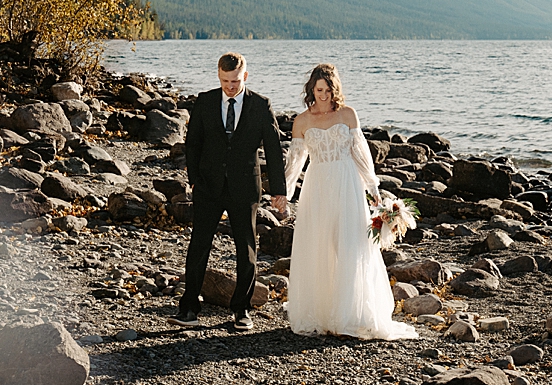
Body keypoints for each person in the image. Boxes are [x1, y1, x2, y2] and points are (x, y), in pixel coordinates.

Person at [284, 64, 417, 340]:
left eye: (328, 90)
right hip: (317, 186)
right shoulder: (302, 121)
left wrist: (372, 187)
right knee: (319, 245)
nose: (323, 95)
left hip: (347, 184)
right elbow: (295, 162)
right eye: (319, 90)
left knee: (349, 244)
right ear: (311, 90)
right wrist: (283, 194)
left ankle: (350, 313)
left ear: (335, 90)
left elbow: (360, 153)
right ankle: (322, 312)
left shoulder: (347, 114)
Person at [169, 52, 288, 331]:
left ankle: (242, 310)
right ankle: (188, 309)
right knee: (199, 246)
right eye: (225, 80)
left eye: (235, 81)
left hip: (244, 186)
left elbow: (273, 149)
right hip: (208, 186)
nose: (230, 86)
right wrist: (195, 178)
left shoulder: (261, 105)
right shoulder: (206, 101)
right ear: (218, 75)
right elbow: (193, 142)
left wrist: (278, 191)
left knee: (246, 248)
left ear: (244, 76)